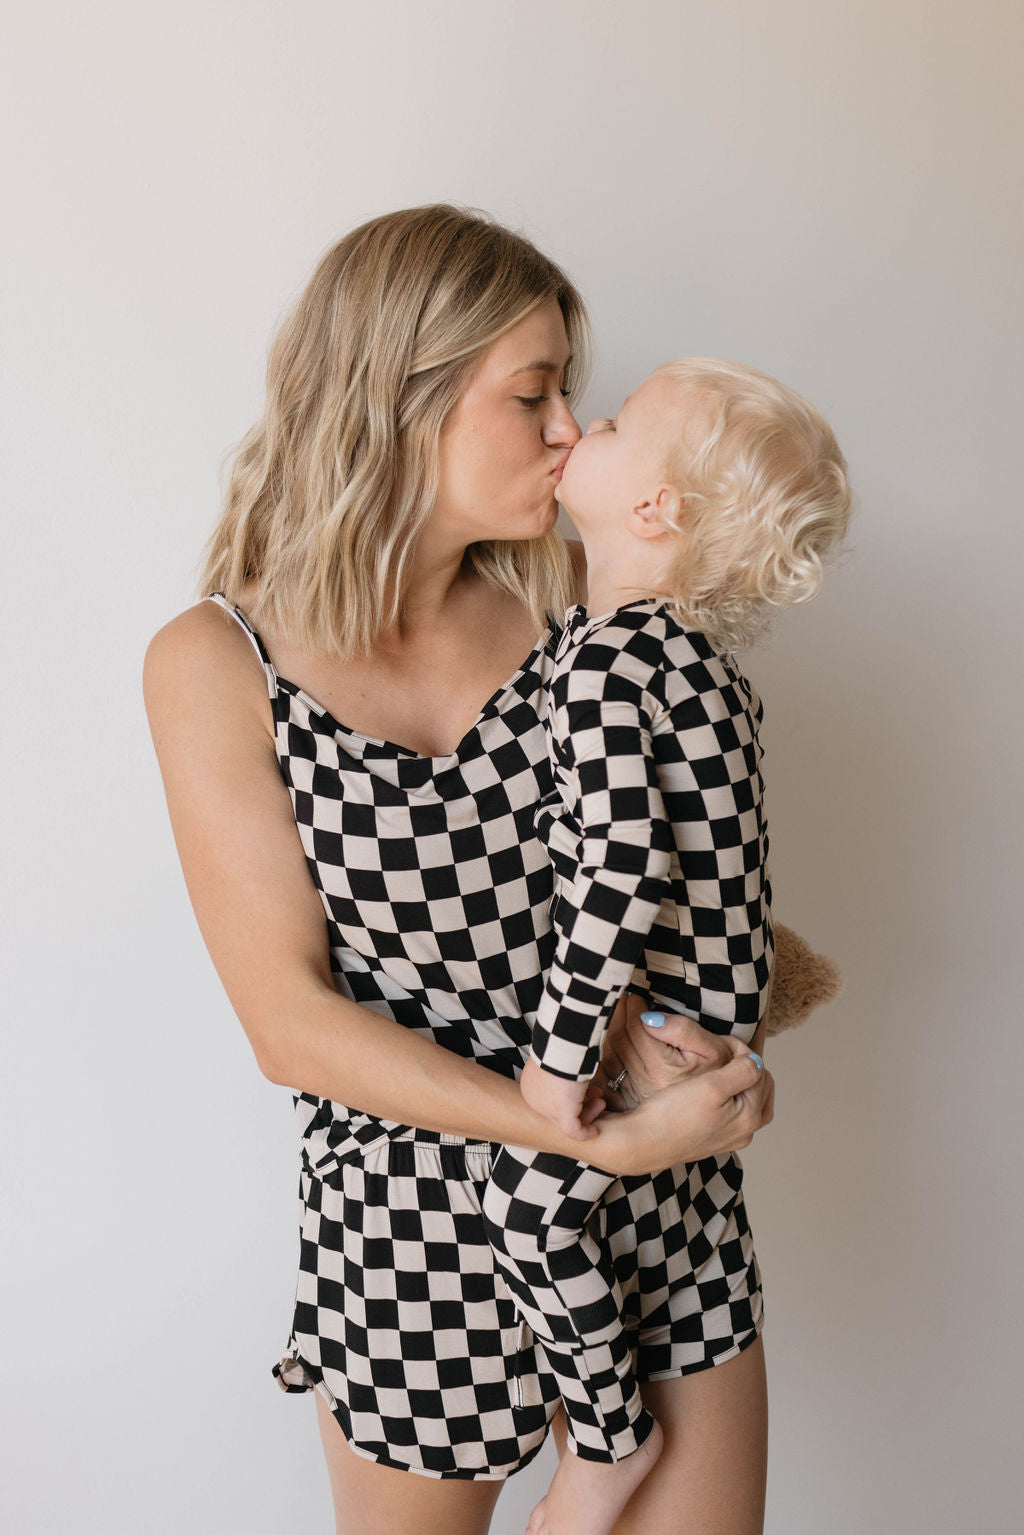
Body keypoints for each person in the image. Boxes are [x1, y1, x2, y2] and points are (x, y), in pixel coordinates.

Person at [143, 204, 775, 1535]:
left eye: (571, 396)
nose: (569, 431)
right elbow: (291, 1024)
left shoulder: (583, 598)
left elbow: (693, 856)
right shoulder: (217, 663)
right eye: (533, 392)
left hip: (658, 1205)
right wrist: (572, 1126)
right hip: (414, 1234)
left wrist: (717, 1041)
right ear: (398, 397)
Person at [481, 359, 851, 1535]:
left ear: (653, 511)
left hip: (644, 1029)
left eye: (615, 421)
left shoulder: (603, 660)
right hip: (709, 1024)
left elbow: (625, 865)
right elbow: (726, 856)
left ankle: (606, 1443)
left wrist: (562, 1047)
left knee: (530, 1207)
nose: (584, 422)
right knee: (648, 1231)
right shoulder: (706, 667)